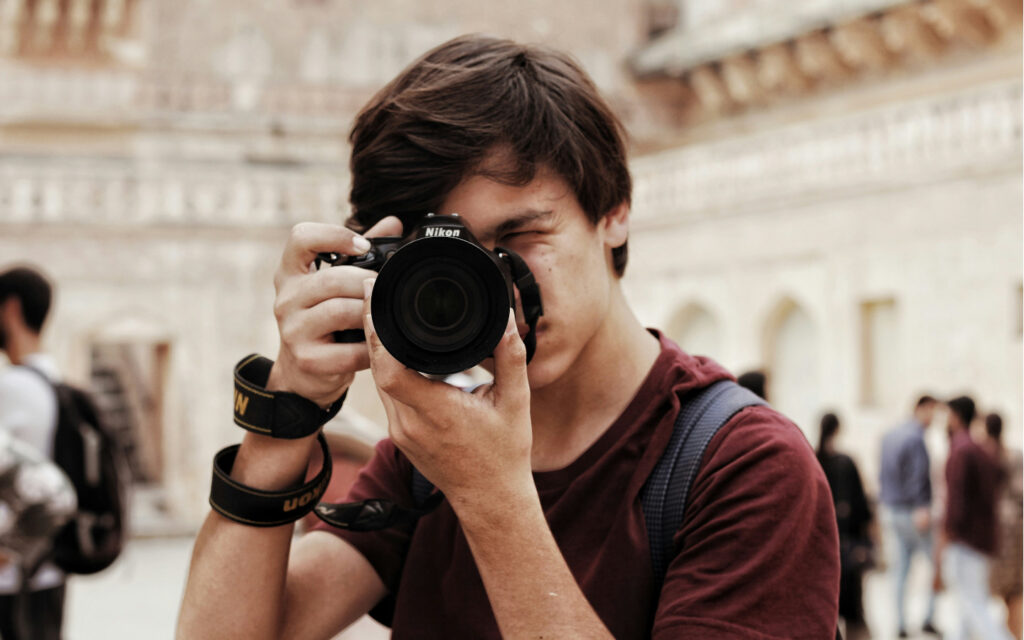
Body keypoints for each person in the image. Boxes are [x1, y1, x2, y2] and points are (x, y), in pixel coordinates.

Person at [178, 35, 840, 639]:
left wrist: (491, 496)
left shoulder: (746, 467)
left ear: (613, 212)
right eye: (450, 261)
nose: (496, 287)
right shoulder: (431, 456)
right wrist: (283, 419)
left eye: (521, 237)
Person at [0, 266, 70, 640]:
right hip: (48, 570)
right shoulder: (54, 379)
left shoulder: (11, 387)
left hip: (10, 580)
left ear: (10, 309)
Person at [938, 396, 1014, 640]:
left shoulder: (962, 451)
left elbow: (956, 501)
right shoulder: (981, 450)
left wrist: (946, 537)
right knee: (965, 606)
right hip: (982, 539)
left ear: (956, 417)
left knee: (973, 603)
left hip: (966, 541)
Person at [878, 394, 941, 637]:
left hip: (891, 509)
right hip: (912, 511)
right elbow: (918, 475)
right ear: (922, 409)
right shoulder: (915, 437)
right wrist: (922, 506)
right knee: (936, 565)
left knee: (900, 570)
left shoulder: (890, 435)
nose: (933, 419)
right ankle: (928, 617)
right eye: (932, 412)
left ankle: (901, 623)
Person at [817, 412, 873, 640]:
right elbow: (862, 509)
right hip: (847, 548)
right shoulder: (846, 463)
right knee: (854, 612)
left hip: (821, 549)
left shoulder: (812, 459)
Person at [982, 412, 1023, 639]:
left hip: (995, 531)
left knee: (986, 592)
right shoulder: (1013, 455)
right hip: (1013, 529)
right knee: (1014, 592)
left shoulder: (986, 456)